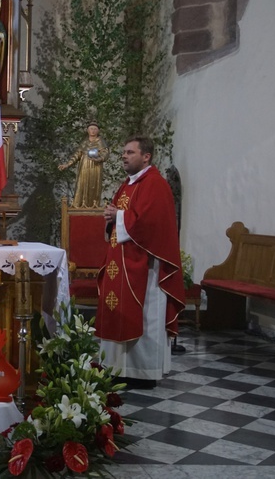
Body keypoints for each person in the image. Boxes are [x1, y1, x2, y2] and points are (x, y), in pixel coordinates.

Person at [96, 136, 185, 389]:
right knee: (119, 312)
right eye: (123, 152)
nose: (124, 156)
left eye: (130, 152)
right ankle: (118, 368)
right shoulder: (128, 184)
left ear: (146, 156)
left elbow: (152, 224)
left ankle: (143, 372)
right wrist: (111, 218)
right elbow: (123, 216)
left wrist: (119, 216)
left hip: (146, 268)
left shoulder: (155, 184)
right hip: (121, 263)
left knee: (145, 316)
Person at [58, 122, 109, 207]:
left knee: (93, 185)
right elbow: (77, 154)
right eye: (91, 129)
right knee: (81, 185)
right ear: (87, 130)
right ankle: (79, 204)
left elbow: (105, 153)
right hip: (84, 167)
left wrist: (99, 159)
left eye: (95, 129)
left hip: (95, 167)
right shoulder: (84, 142)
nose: (93, 131)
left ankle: (93, 205)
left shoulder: (100, 141)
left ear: (98, 131)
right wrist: (67, 164)